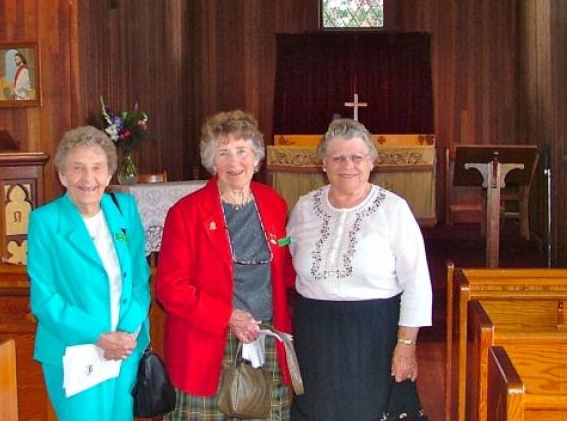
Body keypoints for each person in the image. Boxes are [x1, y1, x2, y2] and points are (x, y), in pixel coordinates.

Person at [287, 118, 432, 421]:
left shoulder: (393, 209)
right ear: (324, 164)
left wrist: (406, 346)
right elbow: (289, 261)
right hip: (315, 334)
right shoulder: (303, 207)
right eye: (337, 157)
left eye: (356, 157)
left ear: (371, 162)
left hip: (374, 335)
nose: (347, 165)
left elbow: (417, 282)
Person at [156, 110, 296, 420]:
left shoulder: (273, 204)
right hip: (207, 343)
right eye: (224, 153)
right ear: (212, 161)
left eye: (242, 151)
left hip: (265, 336)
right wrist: (228, 316)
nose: (235, 162)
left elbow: (286, 271)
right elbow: (170, 288)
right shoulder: (186, 213)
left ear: (256, 157)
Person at [27, 126, 150, 421]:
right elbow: (45, 299)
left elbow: (140, 276)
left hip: (124, 349)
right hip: (75, 351)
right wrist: (98, 336)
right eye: (78, 169)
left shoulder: (125, 210)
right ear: (63, 176)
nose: (88, 179)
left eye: (97, 168)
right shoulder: (45, 221)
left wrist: (126, 333)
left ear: (109, 175)